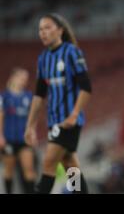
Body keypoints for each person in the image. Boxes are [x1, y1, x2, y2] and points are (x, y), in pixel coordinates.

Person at [24, 13, 91, 194]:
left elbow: (86, 88)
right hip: (53, 121)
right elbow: (39, 95)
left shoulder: (71, 52)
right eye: (40, 29)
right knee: (70, 165)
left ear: (60, 30)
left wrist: (74, 114)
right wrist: (30, 126)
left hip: (68, 121)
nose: (43, 32)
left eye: (47, 28)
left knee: (48, 163)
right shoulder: (43, 58)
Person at [0, 68, 37, 193]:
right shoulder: (4, 96)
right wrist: (0, 135)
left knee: (29, 169)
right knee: (9, 170)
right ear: (14, 77)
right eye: (22, 78)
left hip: (24, 139)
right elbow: (1, 116)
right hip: (9, 138)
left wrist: (33, 132)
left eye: (25, 79)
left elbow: (32, 118)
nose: (24, 81)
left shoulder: (28, 96)